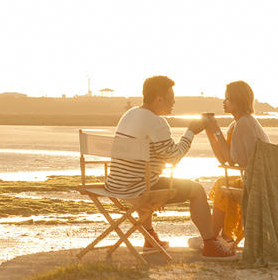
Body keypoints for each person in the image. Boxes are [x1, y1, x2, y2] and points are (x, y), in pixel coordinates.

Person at [105, 75, 236, 260]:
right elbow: (173, 158)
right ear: (159, 99)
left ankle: (150, 237)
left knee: (147, 179)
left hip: (116, 184)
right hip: (139, 187)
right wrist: (191, 132)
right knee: (197, 190)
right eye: (171, 98)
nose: (173, 102)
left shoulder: (130, 114)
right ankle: (210, 244)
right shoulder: (157, 122)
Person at [202, 80, 267, 242]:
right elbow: (224, 158)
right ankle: (217, 237)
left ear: (237, 101)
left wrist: (216, 130)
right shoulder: (237, 124)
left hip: (259, 183)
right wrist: (211, 132)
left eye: (228, 99)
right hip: (256, 179)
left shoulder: (244, 124)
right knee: (222, 184)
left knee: (223, 187)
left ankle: (214, 237)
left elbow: (231, 160)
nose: (224, 102)